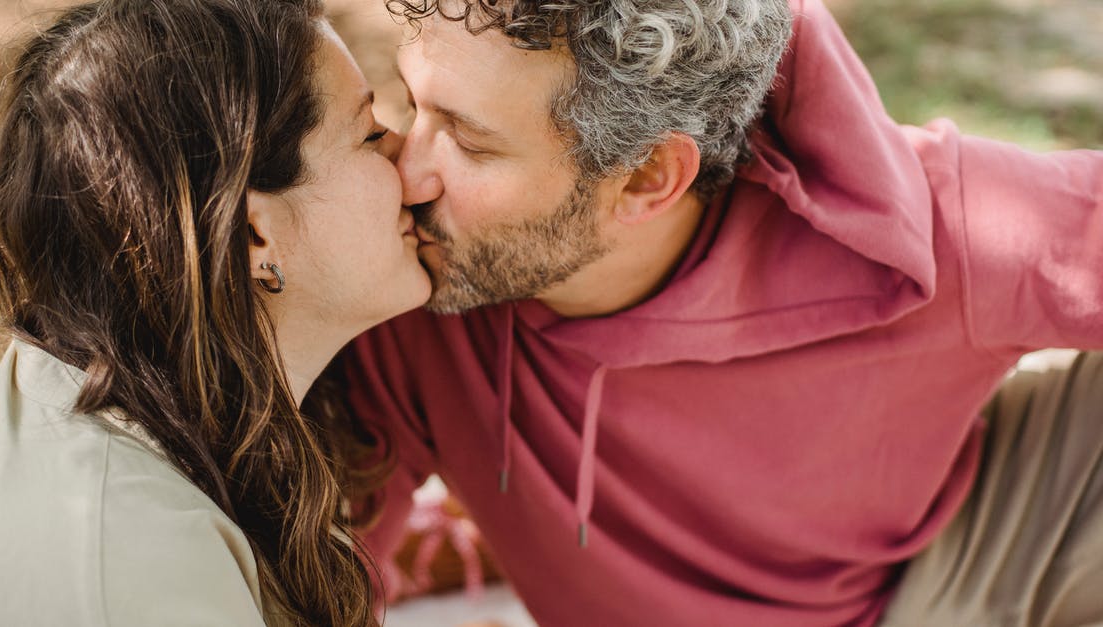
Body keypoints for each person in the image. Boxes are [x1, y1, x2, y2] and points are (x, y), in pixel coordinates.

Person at [343, 0, 1103, 625]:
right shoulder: (415, 281)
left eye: (470, 142)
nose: (407, 175)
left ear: (647, 176)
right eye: (414, 104)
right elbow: (321, 575)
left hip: (960, 565)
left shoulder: (943, 230)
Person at [0, 1, 429, 625]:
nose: (412, 161)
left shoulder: (87, 427)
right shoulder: (140, 554)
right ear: (254, 238)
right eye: (369, 133)